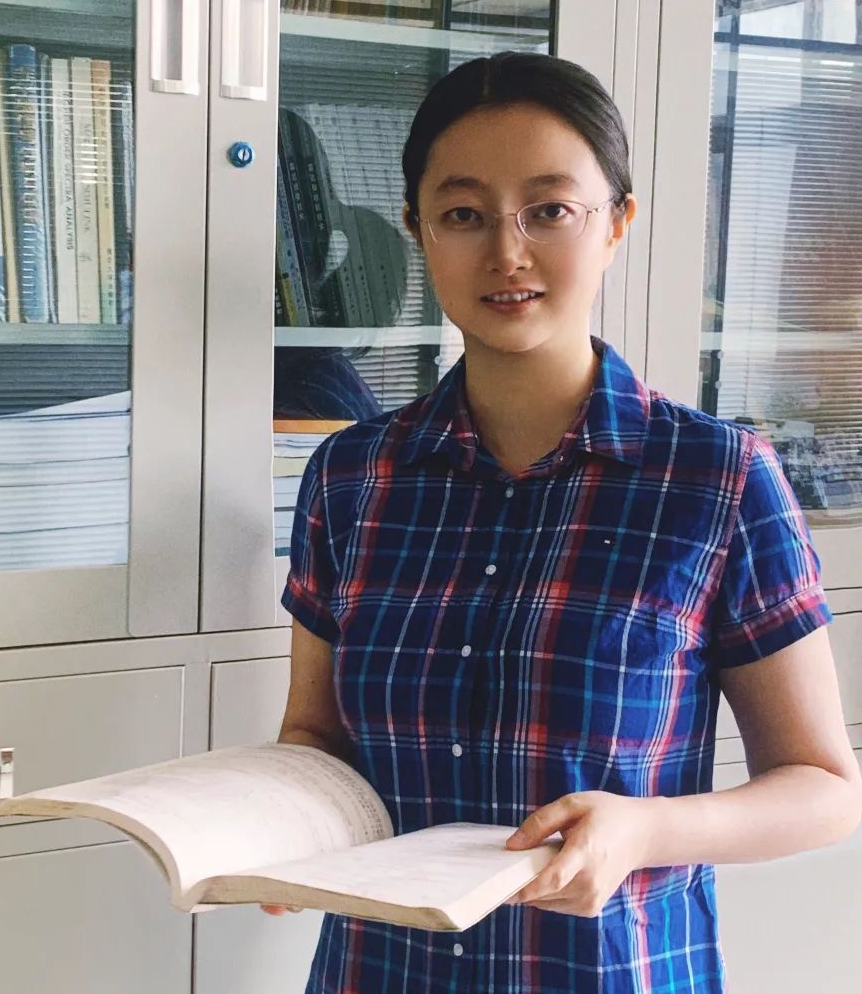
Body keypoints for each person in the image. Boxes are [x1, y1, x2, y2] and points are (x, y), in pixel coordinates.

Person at [264, 52, 862, 993]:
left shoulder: (718, 481)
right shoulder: (352, 477)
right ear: (419, 229)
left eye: (550, 210)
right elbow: (316, 736)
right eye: (465, 214)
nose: (508, 252)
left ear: (616, 222)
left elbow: (824, 789)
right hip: (383, 970)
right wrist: (266, 821)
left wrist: (646, 829)